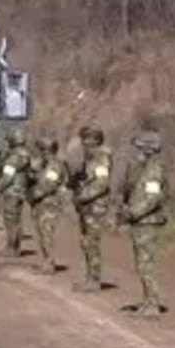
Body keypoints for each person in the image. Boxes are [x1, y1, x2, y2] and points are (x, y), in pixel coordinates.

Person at [117, 130, 168, 317]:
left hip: (147, 223)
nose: (136, 152)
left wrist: (133, 213)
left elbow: (152, 199)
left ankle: (153, 304)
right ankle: (148, 301)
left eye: (139, 148)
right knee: (141, 264)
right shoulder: (145, 169)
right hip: (141, 222)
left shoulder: (154, 170)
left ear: (148, 150)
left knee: (146, 264)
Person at [73, 125, 113, 293]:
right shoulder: (90, 159)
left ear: (96, 140)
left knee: (92, 244)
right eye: (84, 139)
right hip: (87, 207)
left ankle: (94, 280)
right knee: (85, 242)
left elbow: (102, 184)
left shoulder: (101, 159)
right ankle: (89, 277)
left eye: (89, 139)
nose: (85, 142)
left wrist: (84, 196)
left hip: (95, 207)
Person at [28, 136, 68, 274]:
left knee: (47, 234)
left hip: (50, 205)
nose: (41, 153)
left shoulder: (55, 166)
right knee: (42, 234)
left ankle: (49, 263)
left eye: (43, 150)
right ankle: (46, 261)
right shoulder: (44, 165)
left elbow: (49, 185)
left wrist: (34, 195)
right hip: (42, 205)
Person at [0, 128, 32, 257]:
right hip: (21, 189)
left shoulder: (14, 157)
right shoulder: (27, 154)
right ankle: (15, 247)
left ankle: (11, 248)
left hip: (12, 190)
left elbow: (8, 176)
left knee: (10, 220)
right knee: (17, 219)